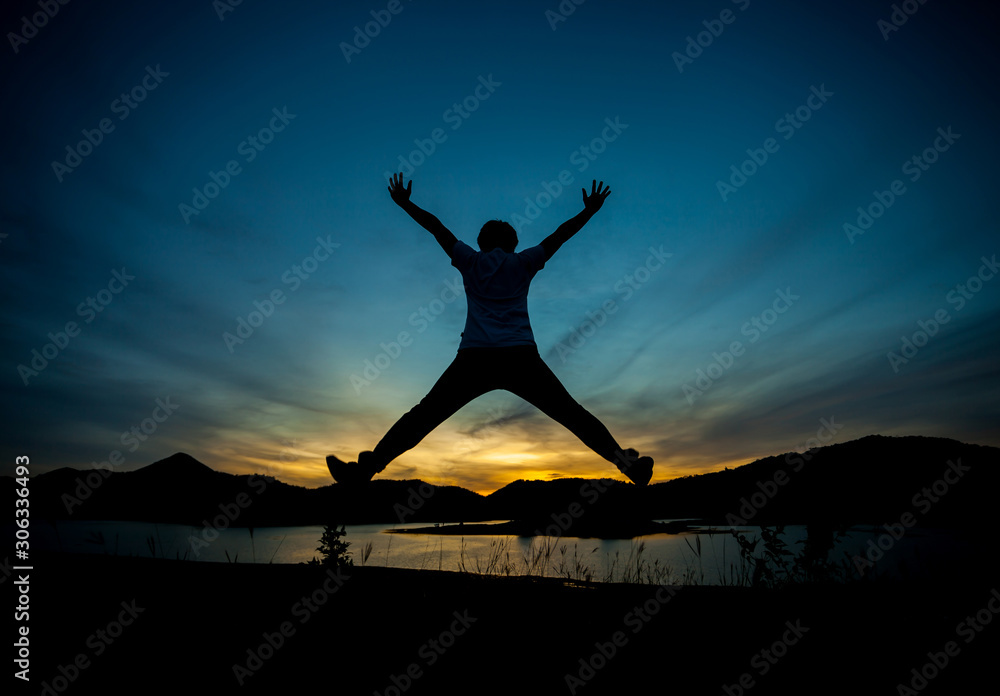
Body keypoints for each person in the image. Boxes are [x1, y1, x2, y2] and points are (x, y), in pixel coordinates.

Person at [327, 173, 653, 486]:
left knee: (422, 417)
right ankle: (629, 466)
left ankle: (364, 471)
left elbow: (437, 228)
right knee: (572, 415)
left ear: (481, 243)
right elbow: (559, 236)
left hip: (475, 359)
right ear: (512, 244)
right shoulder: (524, 262)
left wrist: (404, 203)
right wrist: (589, 210)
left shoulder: (471, 261)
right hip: (520, 357)